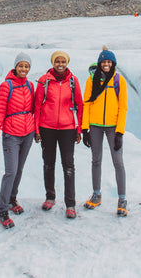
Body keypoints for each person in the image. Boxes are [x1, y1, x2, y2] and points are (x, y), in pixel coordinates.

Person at [34, 50, 84, 219]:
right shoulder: (44, 80)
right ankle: (50, 197)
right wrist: (36, 129)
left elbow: (80, 105)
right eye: (57, 61)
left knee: (68, 166)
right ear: (53, 62)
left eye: (63, 61)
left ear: (67, 63)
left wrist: (79, 129)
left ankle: (70, 204)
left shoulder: (73, 81)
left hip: (67, 129)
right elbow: (37, 106)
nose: (60, 64)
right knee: (48, 163)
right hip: (47, 128)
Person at [81, 45, 129, 216]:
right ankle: (96, 195)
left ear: (113, 63)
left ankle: (122, 200)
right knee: (96, 160)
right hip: (94, 126)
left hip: (112, 127)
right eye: (104, 61)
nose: (106, 64)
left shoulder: (118, 81)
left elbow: (123, 107)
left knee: (118, 162)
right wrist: (84, 129)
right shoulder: (91, 80)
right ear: (100, 63)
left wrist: (120, 132)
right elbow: (86, 104)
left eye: (109, 62)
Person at [0, 52, 37, 228]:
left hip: (28, 133)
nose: (23, 69)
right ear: (16, 67)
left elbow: (34, 109)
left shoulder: (30, 86)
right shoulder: (6, 86)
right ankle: (2, 209)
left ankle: (12, 199)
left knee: (19, 170)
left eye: (26, 66)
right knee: (10, 171)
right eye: (21, 66)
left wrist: (36, 130)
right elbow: (0, 111)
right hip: (11, 134)